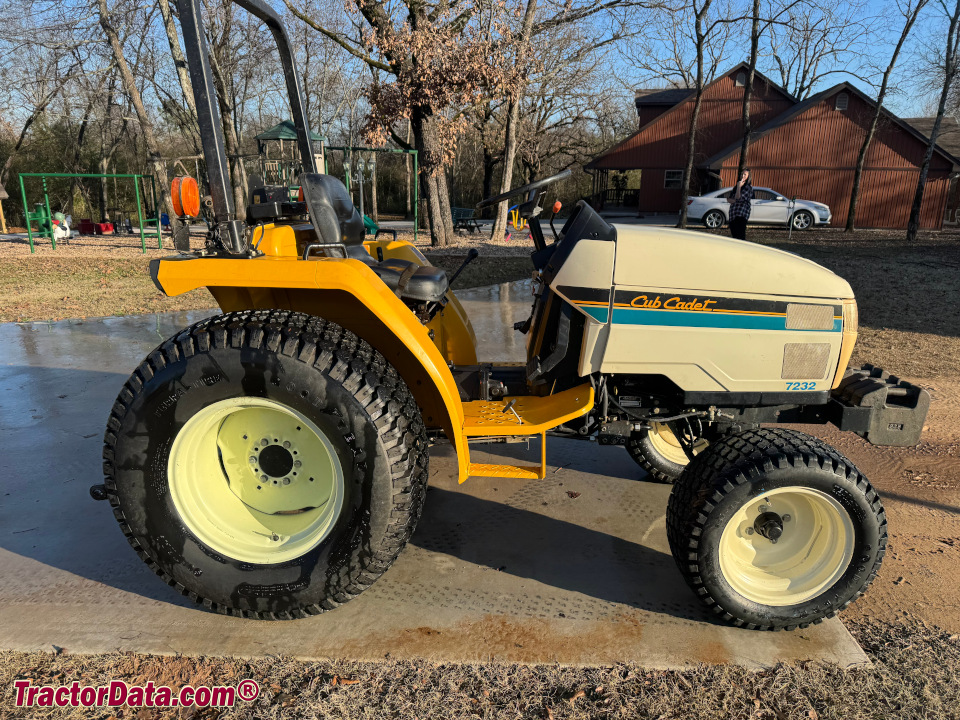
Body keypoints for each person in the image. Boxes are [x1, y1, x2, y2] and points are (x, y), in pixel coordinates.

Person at [726, 169, 753, 240]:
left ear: (748, 177)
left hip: (741, 214)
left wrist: (739, 187)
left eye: (745, 175)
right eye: (742, 174)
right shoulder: (736, 187)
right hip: (733, 213)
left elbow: (738, 198)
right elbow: (729, 199)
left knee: (740, 235)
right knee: (734, 235)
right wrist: (735, 198)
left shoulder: (748, 188)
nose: (742, 176)